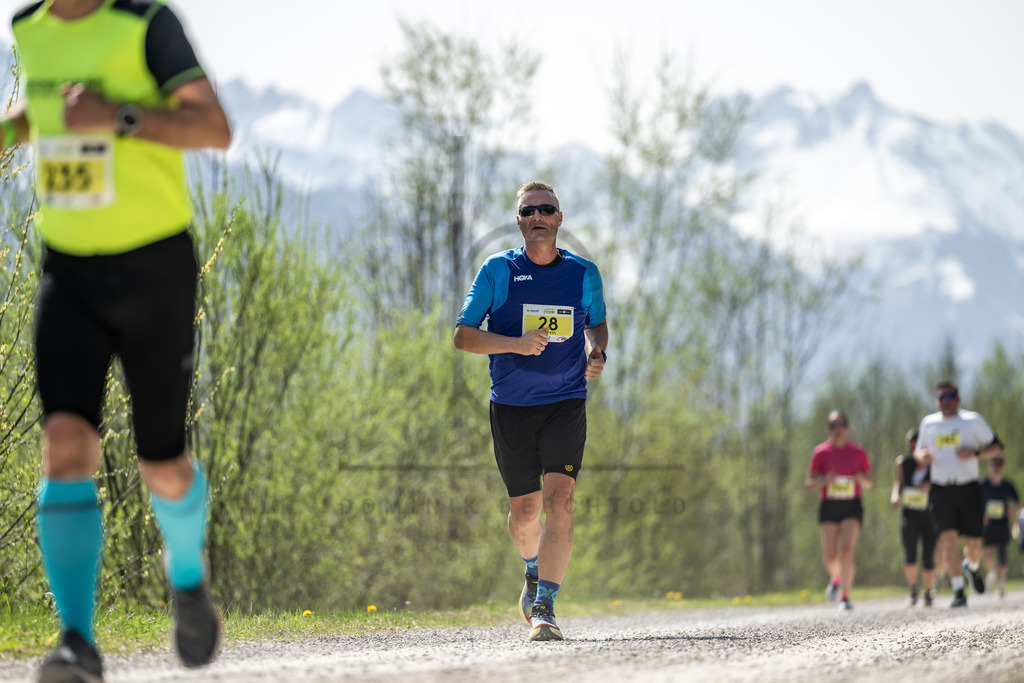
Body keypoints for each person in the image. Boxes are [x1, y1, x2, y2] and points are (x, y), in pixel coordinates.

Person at [3, 1, 231, 680]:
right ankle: (78, 640)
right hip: (67, 271)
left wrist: (120, 117)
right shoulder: (27, 28)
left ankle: (187, 577)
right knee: (65, 444)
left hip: (155, 267)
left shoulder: (146, 21)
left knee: (162, 463)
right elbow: (45, 113)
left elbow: (215, 128)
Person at [454, 181, 608, 642]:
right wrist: (516, 344)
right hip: (511, 406)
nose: (538, 216)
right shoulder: (497, 271)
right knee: (525, 512)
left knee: (560, 500)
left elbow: (595, 323)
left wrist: (595, 352)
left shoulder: (584, 274)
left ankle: (545, 605)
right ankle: (531, 568)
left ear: (560, 219)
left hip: (565, 402)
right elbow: (463, 336)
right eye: (528, 211)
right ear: (519, 221)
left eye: (547, 209)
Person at [915, 381, 1002, 608]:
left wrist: (974, 452)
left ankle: (971, 567)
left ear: (958, 399)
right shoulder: (929, 423)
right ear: (936, 401)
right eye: (941, 397)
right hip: (940, 489)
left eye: (950, 396)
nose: (945, 401)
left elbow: (997, 447)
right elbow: (918, 451)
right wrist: (920, 457)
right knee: (948, 539)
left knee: (974, 545)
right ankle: (958, 592)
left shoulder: (972, 420)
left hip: (968, 488)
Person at [805, 410, 873, 611]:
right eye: (833, 425)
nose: (837, 429)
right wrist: (824, 481)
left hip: (852, 504)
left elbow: (869, 483)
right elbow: (809, 483)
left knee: (847, 550)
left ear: (847, 427)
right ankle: (836, 577)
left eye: (841, 424)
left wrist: (860, 479)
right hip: (829, 505)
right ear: (828, 429)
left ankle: (845, 596)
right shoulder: (821, 452)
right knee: (831, 557)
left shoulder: (858, 452)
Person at [889, 428, 938, 607]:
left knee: (928, 556)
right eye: (912, 444)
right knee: (910, 554)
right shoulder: (903, 463)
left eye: (919, 443)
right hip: (910, 514)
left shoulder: (936, 464)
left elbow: (943, 486)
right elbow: (899, 483)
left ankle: (928, 592)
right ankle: (912, 590)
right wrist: (895, 496)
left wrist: (930, 486)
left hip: (930, 515)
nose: (915, 447)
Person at [980, 457, 1019, 598]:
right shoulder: (983, 485)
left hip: (1002, 524)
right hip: (988, 525)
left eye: (999, 465)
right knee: (988, 554)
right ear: (990, 466)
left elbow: (1018, 501)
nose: (997, 468)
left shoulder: (1007, 485)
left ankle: (1001, 585)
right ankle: (991, 573)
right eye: (994, 465)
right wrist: (981, 515)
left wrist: (1013, 510)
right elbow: (975, 502)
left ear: (1002, 467)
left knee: (1003, 556)